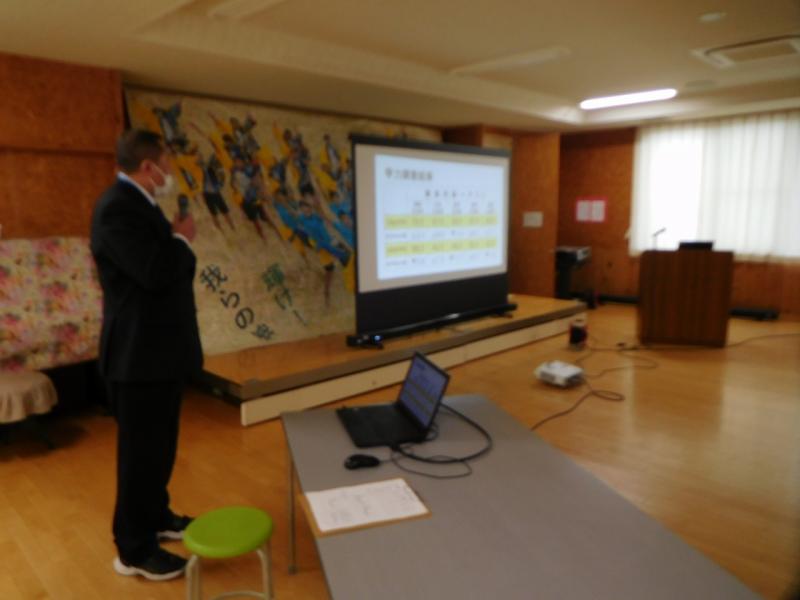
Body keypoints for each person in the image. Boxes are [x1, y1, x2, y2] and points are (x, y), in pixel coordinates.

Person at [90, 129, 203, 581]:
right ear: (147, 166)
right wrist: (182, 240)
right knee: (140, 457)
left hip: (159, 355)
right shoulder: (116, 208)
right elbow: (155, 272)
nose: (170, 171)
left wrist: (172, 240)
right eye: (166, 163)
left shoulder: (141, 203)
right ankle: (133, 550)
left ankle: (156, 517)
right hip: (136, 359)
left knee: (159, 449)